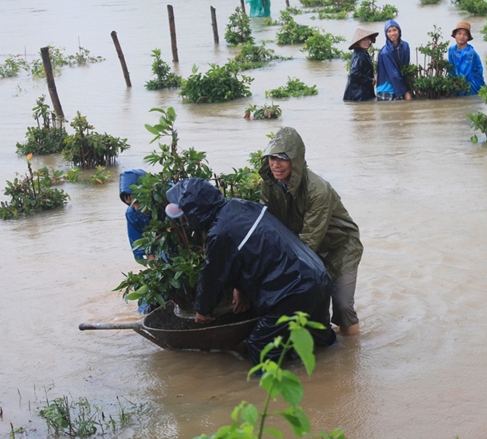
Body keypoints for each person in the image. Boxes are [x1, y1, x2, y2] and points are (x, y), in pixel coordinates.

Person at [164, 178, 337, 364]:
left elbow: (212, 277)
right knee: (321, 337)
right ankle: (341, 366)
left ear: (196, 210)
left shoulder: (220, 233)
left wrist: (202, 310)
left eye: (185, 213)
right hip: (317, 273)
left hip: (294, 290)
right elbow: (255, 252)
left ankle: (271, 390)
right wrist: (240, 288)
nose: (184, 218)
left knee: (259, 345)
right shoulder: (242, 206)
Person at [259, 127, 364, 336]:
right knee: (314, 309)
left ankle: (351, 355)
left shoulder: (318, 190)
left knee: (343, 308)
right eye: (272, 157)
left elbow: (309, 241)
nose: (276, 164)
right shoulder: (270, 186)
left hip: (339, 248)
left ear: (295, 161)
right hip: (305, 249)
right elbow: (264, 225)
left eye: (282, 158)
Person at [119, 169, 156, 314]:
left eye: (136, 202)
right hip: (159, 249)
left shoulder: (165, 200)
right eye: (129, 204)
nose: (135, 207)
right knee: (147, 304)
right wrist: (152, 261)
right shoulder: (132, 213)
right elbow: (140, 241)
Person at [376, 19, 412, 101]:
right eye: (389, 31)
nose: (392, 33)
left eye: (394, 30)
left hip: (399, 86)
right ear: (386, 34)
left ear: (399, 31)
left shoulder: (405, 46)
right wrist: (405, 92)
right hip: (386, 89)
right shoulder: (385, 52)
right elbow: (393, 74)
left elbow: (405, 67)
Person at [448, 21, 485, 96]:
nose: (462, 36)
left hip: (472, 84)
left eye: (465, 34)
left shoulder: (470, 53)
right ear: (455, 35)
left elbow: (464, 75)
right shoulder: (451, 49)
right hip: (458, 81)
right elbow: (450, 69)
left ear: (468, 37)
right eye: (459, 33)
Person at [343, 28, 379, 102]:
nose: (367, 42)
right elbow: (353, 73)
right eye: (364, 40)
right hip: (358, 95)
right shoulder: (360, 55)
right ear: (358, 42)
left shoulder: (362, 53)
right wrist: (370, 81)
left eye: (368, 39)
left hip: (359, 93)